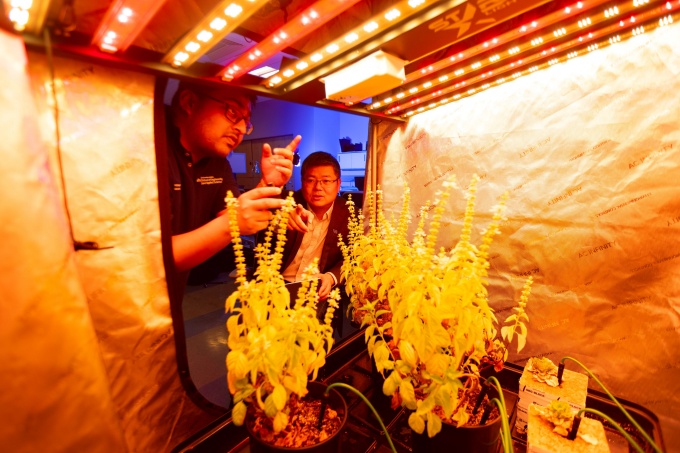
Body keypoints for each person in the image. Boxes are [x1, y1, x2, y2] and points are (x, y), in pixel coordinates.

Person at [166, 80, 301, 286]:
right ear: (190, 102)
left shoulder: (217, 162)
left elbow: (236, 215)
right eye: (232, 112)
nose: (240, 128)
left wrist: (268, 183)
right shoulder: (151, 147)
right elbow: (149, 255)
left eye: (245, 122)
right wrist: (232, 224)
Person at [277, 151, 351, 301]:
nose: (318, 187)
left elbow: (352, 258)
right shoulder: (286, 203)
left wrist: (331, 277)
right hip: (276, 285)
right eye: (311, 180)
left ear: (338, 184)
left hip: (315, 288)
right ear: (302, 182)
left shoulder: (350, 215)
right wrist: (278, 216)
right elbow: (259, 214)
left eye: (326, 181)